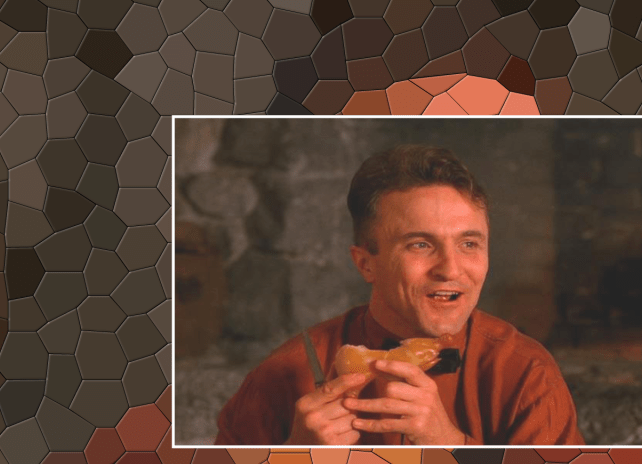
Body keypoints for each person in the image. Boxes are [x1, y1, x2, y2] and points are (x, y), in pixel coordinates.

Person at [215, 145, 583, 445]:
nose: (451, 270)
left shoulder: (527, 372)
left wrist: (449, 446)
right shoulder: (283, 372)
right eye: (420, 244)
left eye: (469, 243)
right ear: (365, 264)